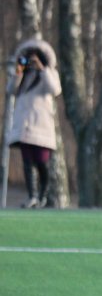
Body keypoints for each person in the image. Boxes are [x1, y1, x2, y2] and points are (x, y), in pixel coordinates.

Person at [6, 39, 61, 209]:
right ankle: (32, 196)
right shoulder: (23, 75)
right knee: (27, 162)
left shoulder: (49, 73)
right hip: (24, 125)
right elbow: (10, 90)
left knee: (42, 162)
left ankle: (43, 196)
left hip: (42, 125)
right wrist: (19, 71)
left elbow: (55, 90)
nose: (31, 61)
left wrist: (42, 69)